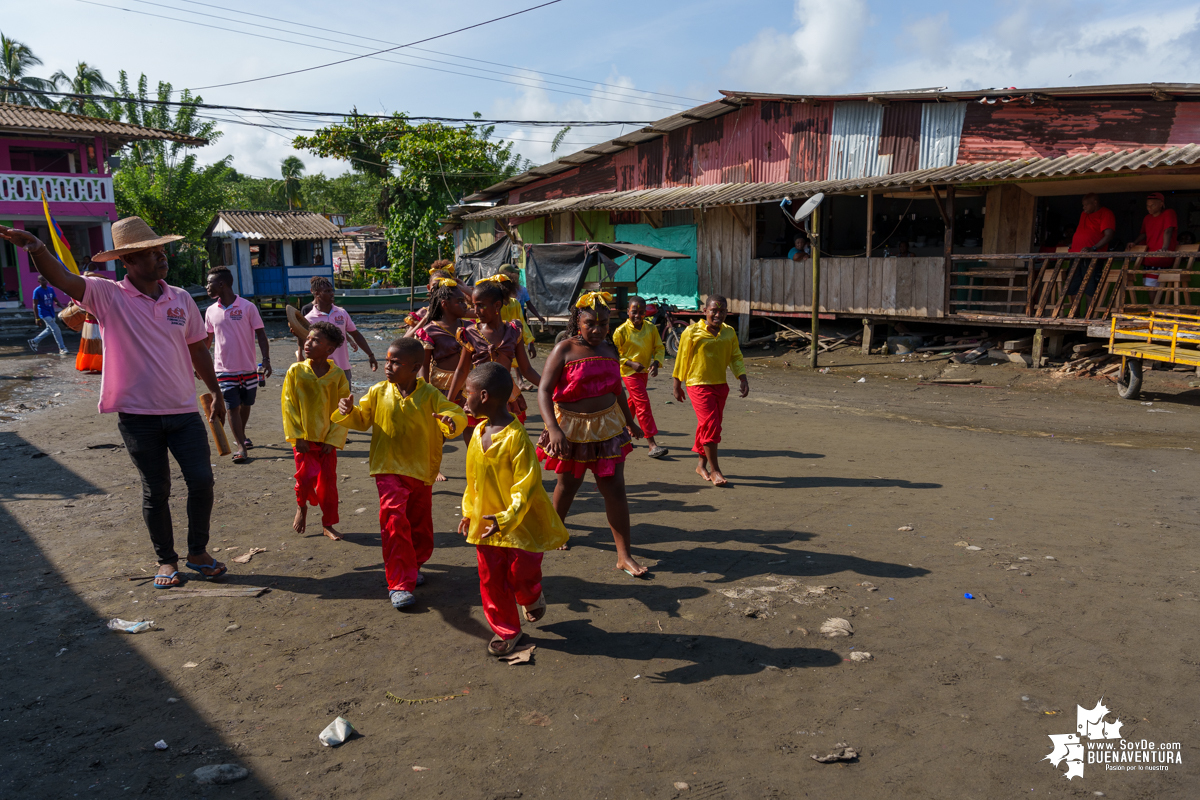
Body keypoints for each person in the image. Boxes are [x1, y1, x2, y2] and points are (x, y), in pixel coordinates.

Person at [0, 217, 228, 587]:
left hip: (184, 410)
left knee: (202, 481)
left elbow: (198, 348)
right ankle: (166, 561)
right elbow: (63, 279)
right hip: (138, 416)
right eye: (148, 254)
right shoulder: (107, 296)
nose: (159, 257)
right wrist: (36, 248)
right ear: (128, 262)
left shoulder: (182, 299)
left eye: (159, 249)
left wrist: (216, 391)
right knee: (157, 490)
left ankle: (197, 551)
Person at [333, 337, 466, 609]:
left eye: (396, 362)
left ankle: (413, 565)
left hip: (420, 470)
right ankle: (398, 583)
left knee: (419, 525)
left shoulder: (430, 394)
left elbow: (454, 413)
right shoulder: (379, 392)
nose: (388, 366)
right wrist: (347, 411)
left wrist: (453, 422)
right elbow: (361, 420)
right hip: (388, 468)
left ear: (416, 367)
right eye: (387, 360)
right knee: (393, 521)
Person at [459, 362, 568, 656]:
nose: (463, 399)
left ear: (483, 396)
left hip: (520, 521)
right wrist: (469, 512)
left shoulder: (515, 436)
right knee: (491, 577)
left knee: (523, 571)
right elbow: (474, 482)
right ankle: (507, 629)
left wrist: (506, 518)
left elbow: (527, 484)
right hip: (485, 521)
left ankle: (530, 595)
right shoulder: (478, 431)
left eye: (466, 393)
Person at [536, 292, 646, 577]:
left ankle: (624, 556)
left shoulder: (610, 349)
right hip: (570, 428)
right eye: (590, 324)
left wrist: (630, 421)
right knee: (569, 484)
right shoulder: (564, 349)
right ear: (577, 322)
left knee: (615, 489)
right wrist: (553, 428)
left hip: (608, 427)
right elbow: (544, 391)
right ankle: (555, 530)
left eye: (604, 323)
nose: (597, 330)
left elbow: (616, 389)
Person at [672, 295, 749, 488]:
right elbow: (682, 358)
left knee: (707, 426)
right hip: (697, 384)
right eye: (714, 310)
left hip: (720, 385)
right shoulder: (691, 332)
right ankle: (715, 470)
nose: (717, 314)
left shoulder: (729, 332)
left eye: (722, 311)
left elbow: (735, 356)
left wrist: (742, 377)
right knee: (711, 425)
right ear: (705, 311)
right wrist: (677, 384)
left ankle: (701, 465)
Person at [282, 322, 349, 541]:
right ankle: (301, 507)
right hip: (303, 439)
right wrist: (297, 436)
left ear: (330, 350)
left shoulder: (337, 375)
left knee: (328, 484)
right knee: (303, 479)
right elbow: (288, 404)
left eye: (316, 340)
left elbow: (343, 409)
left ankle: (328, 524)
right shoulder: (296, 370)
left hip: (327, 440)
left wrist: (333, 439)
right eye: (308, 339)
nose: (308, 343)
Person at [447, 279, 541, 425]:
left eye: (480, 306)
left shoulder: (514, 331)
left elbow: (527, 369)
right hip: (477, 397)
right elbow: (462, 370)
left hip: (506, 395)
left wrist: (549, 388)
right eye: (474, 305)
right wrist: (448, 403)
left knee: (507, 442)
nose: (475, 311)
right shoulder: (470, 333)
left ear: (497, 305)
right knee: (478, 443)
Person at [204, 267, 272, 463]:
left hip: (248, 367)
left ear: (222, 284)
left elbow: (261, 334)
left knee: (246, 404)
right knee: (232, 406)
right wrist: (200, 365)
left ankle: (240, 435)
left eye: (210, 283)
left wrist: (266, 359)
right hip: (223, 369)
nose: (207, 287)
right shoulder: (210, 311)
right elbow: (207, 341)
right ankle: (241, 446)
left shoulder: (247, 307)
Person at [413, 276, 473, 482]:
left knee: (471, 426)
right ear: (445, 304)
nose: (465, 305)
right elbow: (423, 363)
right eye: (460, 302)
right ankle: (434, 466)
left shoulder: (470, 326)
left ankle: (476, 467)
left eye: (465, 301)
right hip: (440, 385)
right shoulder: (430, 330)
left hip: (467, 383)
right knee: (440, 430)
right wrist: (425, 388)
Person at [612, 296, 668, 459]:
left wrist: (656, 363)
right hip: (629, 373)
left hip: (643, 372)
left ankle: (622, 433)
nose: (637, 316)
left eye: (641, 313)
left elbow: (659, 347)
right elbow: (615, 354)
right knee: (643, 403)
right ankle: (651, 444)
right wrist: (630, 363)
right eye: (634, 312)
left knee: (633, 403)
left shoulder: (650, 329)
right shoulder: (621, 331)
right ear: (628, 311)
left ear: (646, 313)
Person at [295, 276, 377, 388]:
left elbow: (356, 334)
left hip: (342, 368)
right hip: (319, 371)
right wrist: (300, 359)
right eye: (327, 291)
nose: (331, 293)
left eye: (331, 290)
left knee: (344, 403)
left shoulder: (342, 313)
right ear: (317, 294)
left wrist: (370, 355)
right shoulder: (309, 318)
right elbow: (305, 344)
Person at [1066, 193, 1116, 297]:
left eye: (1086, 205)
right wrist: (1075, 242)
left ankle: (1089, 313)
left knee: (1090, 287)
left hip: (1092, 256)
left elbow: (1109, 235)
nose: (1083, 207)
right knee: (1073, 286)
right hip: (1076, 255)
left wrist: (1093, 248)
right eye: (1083, 205)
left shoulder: (1106, 213)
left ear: (1095, 203)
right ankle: (1074, 313)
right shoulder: (1084, 214)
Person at [1134, 192, 1178, 287]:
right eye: (1147, 205)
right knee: (1148, 284)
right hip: (1150, 255)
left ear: (1161, 204)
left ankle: (1154, 302)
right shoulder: (1147, 218)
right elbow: (1144, 234)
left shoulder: (1168, 213)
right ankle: (1154, 302)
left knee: (1151, 284)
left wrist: (1164, 249)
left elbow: (1168, 231)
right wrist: (1134, 243)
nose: (1149, 208)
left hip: (1161, 255)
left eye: (1153, 205)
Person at [73, 266, 106, 373]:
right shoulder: (84, 291)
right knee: (92, 343)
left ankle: (99, 364)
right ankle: (95, 364)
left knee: (98, 342)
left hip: (98, 320)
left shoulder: (102, 290)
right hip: (91, 321)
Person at [28, 274, 69, 355]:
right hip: (44, 313)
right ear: (39, 281)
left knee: (49, 329)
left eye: (46, 280)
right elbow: (34, 305)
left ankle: (34, 341)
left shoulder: (51, 289)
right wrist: (37, 318)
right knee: (56, 329)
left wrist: (64, 309)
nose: (45, 281)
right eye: (43, 280)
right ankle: (62, 348)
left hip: (51, 312)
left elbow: (56, 301)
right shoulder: (37, 291)